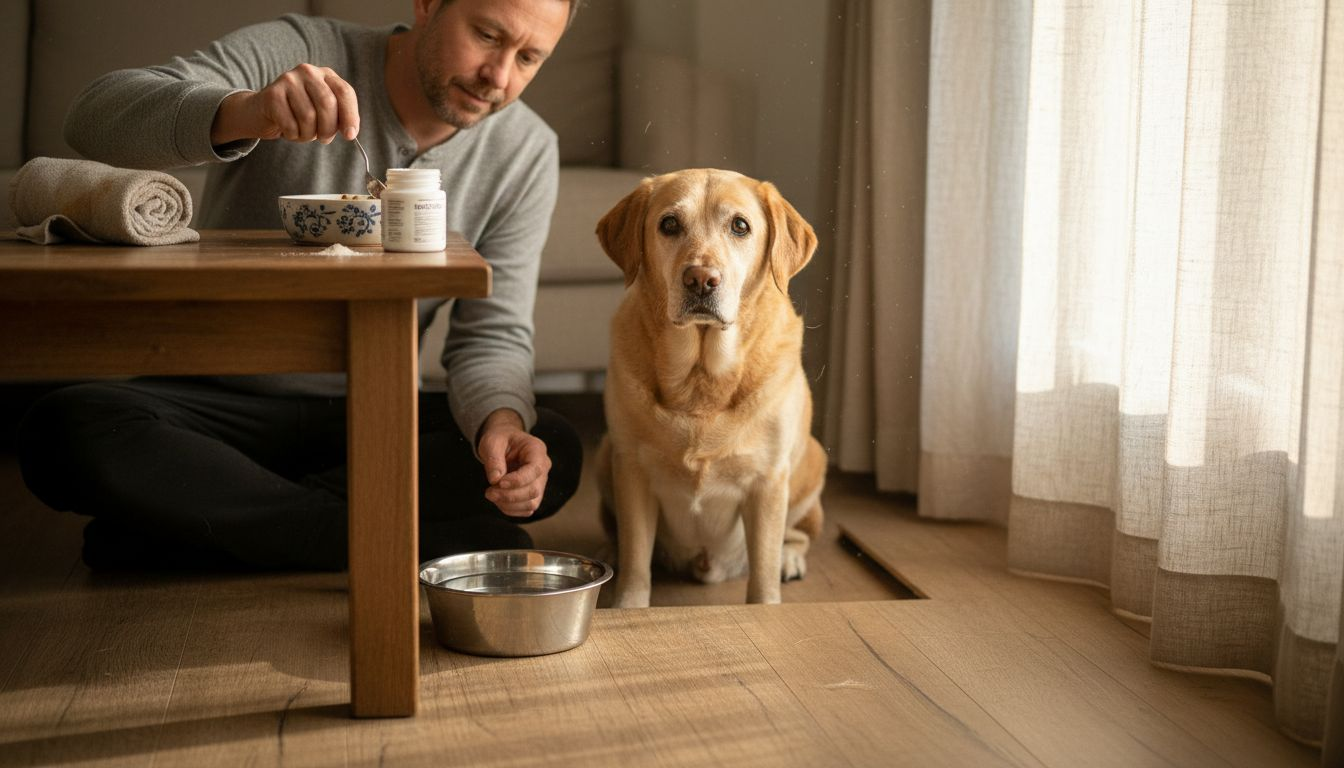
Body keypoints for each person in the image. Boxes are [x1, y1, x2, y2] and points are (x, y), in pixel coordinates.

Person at [14, 0, 584, 571]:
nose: (500, 76)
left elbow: (491, 336)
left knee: (550, 445)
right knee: (65, 426)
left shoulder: (526, 149)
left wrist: (502, 425)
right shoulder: (299, 51)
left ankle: (205, 528)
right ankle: (381, 540)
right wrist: (246, 111)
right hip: (218, 408)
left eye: (530, 57)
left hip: (375, 407)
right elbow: (89, 119)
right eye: (487, 35)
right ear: (429, 5)